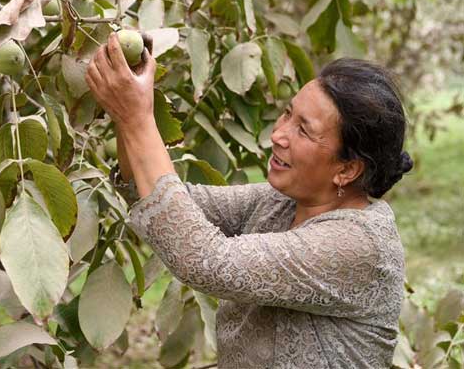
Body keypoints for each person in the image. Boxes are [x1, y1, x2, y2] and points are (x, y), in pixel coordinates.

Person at [85, 32, 414, 368]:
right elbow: (159, 195)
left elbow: (206, 261)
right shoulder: (281, 202)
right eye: (287, 114)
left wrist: (137, 118)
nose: (278, 135)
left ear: (347, 170)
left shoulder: (359, 244)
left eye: (303, 130)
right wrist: (127, 108)